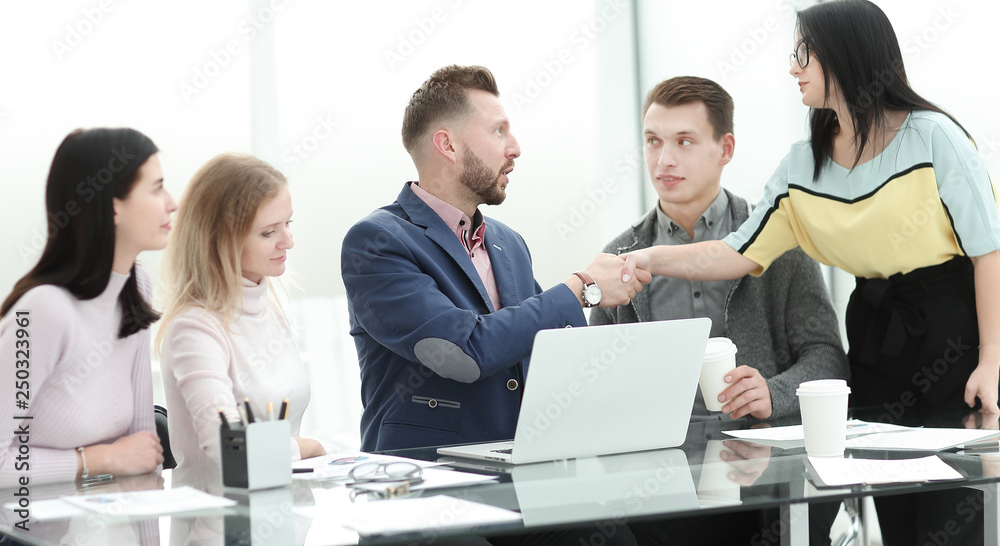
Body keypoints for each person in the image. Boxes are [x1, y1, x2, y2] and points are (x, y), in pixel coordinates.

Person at [624, 0, 1000, 546]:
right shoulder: (804, 163)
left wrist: (991, 360)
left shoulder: (933, 136)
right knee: (894, 508)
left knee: (953, 513)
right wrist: (645, 258)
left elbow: (988, 251)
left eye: (804, 53)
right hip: (874, 330)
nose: (792, 67)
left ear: (846, 56)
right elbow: (736, 252)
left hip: (955, 327)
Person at [591, 76, 847, 545]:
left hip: (768, 480)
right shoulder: (619, 259)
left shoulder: (775, 243)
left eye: (684, 141)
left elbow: (827, 357)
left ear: (725, 148)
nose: (664, 160)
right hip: (661, 486)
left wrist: (772, 393)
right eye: (653, 141)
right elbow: (597, 391)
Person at [341, 64, 648, 453]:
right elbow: (461, 354)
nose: (515, 147)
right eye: (498, 131)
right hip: (426, 477)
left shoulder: (508, 242)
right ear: (448, 145)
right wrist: (581, 287)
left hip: (520, 472)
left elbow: (543, 349)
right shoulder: (376, 242)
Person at [0, 128, 173, 487]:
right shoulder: (43, 310)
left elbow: (144, 448)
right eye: (157, 188)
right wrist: (99, 459)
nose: (172, 203)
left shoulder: (136, 288)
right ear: (112, 206)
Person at [157, 154, 325, 469]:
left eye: (287, 224)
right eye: (269, 232)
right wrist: (309, 447)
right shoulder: (194, 328)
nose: (288, 242)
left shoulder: (271, 308)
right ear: (221, 240)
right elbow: (228, 447)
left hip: (283, 493)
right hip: (219, 499)